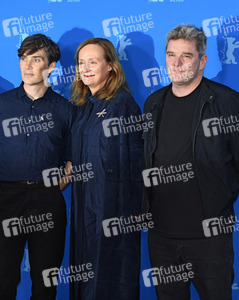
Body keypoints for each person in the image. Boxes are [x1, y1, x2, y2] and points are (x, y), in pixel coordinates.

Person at [142, 24, 239, 299]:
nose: (177, 62)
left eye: (186, 55)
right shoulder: (153, 103)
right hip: (162, 236)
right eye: (171, 54)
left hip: (210, 236)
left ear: (203, 60)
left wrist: (223, 190)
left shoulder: (226, 102)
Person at [0, 33, 74, 300]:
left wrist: (56, 186)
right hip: (8, 198)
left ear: (52, 66)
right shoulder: (0, 103)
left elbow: (72, 159)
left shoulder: (66, 109)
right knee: (1, 277)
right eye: (24, 59)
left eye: (36, 59)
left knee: (45, 281)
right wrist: (8, 178)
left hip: (48, 200)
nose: (28, 66)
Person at [69, 38, 143, 299]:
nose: (85, 68)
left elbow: (136, 157)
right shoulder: (81, 106)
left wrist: (136, 208)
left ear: (110, 66)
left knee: (111, 276)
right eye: (81, 62)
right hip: (83, 205)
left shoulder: (122, 104)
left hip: (113, 207)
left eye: (93, 62)